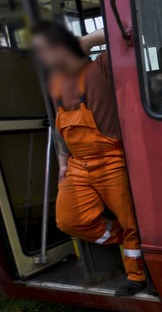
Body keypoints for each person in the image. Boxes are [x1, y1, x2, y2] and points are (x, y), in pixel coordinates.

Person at [32, 21, 146, 296]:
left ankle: (137, 276)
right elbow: (61, 129)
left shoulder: (103, 66)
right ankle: (127, 234)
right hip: (77, 164)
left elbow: (124, 35)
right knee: (69, 220)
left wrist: (83, 42)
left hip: (111, 161)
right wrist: (61, 164)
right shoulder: (57, 84)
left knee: (132, 220)